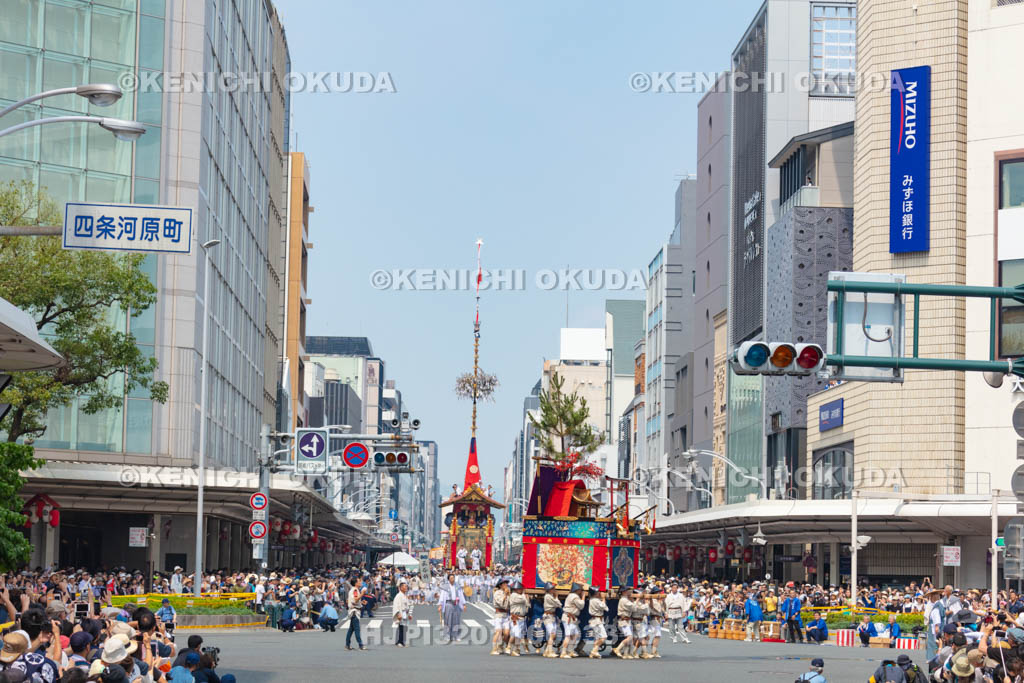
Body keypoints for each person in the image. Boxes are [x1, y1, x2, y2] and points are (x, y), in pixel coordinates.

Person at [437, 573, 465, 645]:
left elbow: (461, 595)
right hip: (448, 604)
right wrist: (440, 605)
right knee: (448, 620)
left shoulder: (457, 586)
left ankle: (456, 635)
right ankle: (447, 636)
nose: (452, 579)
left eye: (453, 578)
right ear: (448, 579)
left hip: (456, 604)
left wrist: (463, 604)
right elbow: (442, 596)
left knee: (456, 620)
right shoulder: (445, 587)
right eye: (451, 578)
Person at [506, 581, 530, 657]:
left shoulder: (520, 595)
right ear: (516, 589)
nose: (522, 590)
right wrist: (525, 595)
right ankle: (516, 649)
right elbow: (524, 600)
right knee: (517, 634)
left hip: (522, 618)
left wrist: (526, 597)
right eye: (520, 589)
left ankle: (510, 647)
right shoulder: (514, 595)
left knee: (515, 634)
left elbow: (528, 604)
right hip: (515, 617)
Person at [489, 578, 510, 656]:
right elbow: (501, 603)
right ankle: (494, 648)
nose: (506, 585)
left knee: (507, 633)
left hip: (506, 615)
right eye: (504, 583)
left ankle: (501, 645)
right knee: (498, 632)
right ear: (500, 585)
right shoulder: (497, 593)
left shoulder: (508, 592)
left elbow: (510, 603)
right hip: (499, 614)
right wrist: (505, 594)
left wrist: (509, 595)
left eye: (506, 583)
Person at [586, 587, 608, 659]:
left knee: (597, 638)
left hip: (596, 620)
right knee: (604, 637)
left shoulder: (592, 600)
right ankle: (594, 651)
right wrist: (604, 598)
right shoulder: (596, 600)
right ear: (595, 593)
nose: (599, 593)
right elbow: (605, 608)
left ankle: (594, 652)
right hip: (597, 621)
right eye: (598, 592)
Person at [346, 577, 367, 651]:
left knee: (351, 629)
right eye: (359, 581)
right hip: (354, 611)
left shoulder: (354, 590)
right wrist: (362, 593)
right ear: (356, 583)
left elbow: (354, 601)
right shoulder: (355, 590)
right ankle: (360, 645)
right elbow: (355, 600)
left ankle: (347, 645)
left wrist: (361, 602)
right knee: (357, 629)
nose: (361, 582)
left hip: (354, 610)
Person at [541, 585, 562, 658]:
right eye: (553, 588)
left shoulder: (550, 596)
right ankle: (550, 651)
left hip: (552, 616)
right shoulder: (548, 596)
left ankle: (547, 651)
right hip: (548, 616)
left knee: (553, 635)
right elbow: (559, 604)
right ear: (549, 589)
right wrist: (556, 597)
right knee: (552, 634)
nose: (554, 590)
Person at [392, 580, 412, 647]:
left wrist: (409, 614)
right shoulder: (398, 596)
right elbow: (396, 605)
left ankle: (402, 641)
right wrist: (398, 614)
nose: (406, 588)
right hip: (401, 612)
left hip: (404, 613)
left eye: (406, 586)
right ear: (401, 588)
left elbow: (407, 605)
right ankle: (399, 642)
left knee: (403, 628)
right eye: (404, 586)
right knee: (401, 627)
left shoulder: (404, 595)